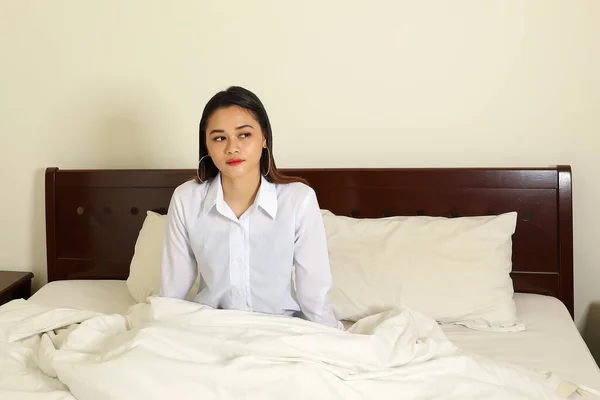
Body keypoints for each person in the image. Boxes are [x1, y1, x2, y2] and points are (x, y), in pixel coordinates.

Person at [160, 86, 343, 330]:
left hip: (279, 332)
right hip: (208, 331)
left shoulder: (298, 200)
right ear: (207, 146)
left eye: (244, 135)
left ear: (264, 138)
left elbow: (314, 294)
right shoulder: (186, 199)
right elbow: (172, 291)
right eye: (219, 138)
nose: (232, 148)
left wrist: (333, 340)